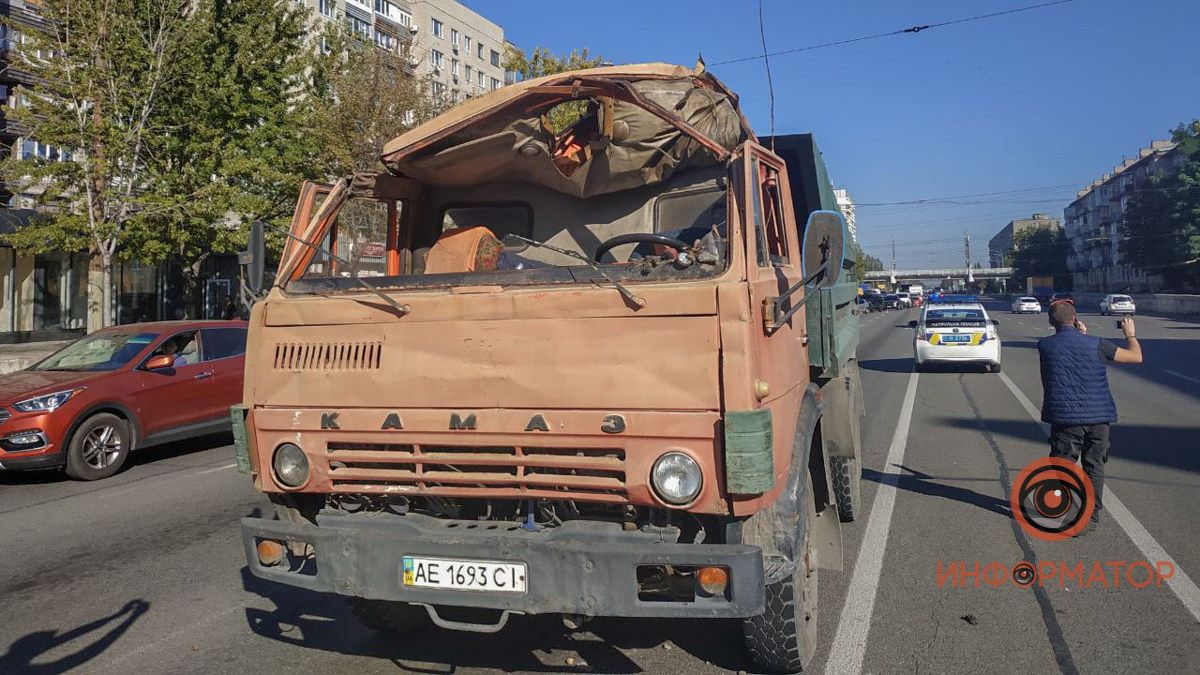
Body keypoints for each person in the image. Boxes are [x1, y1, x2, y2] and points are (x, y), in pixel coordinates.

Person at [1038, 300, 1142, 535]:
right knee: (1093, 466)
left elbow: (1069, 348)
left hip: (1066, 420)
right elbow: (1135, 356)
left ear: (1050, 322)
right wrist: (1130, 335)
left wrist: (1076, 332)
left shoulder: (1045, 345)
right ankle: (1092, 516)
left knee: (1063, 465)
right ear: (1075, 319)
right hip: (1098, 419)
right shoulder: (1096, 344)